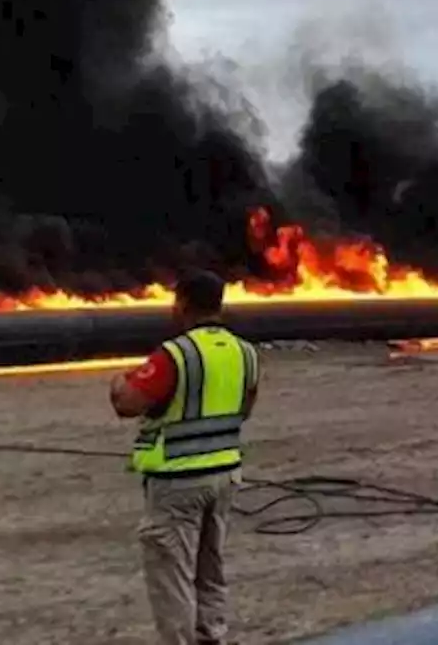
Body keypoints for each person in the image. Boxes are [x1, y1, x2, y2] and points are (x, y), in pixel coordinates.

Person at [109, 270, 260, 645]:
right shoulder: (246, 353)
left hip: (178, 481)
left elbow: (128, 403)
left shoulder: (175, 354)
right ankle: (212, 636)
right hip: (224, 476)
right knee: (210, 568)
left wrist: (117, 382)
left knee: (171, 572)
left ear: (183, 304)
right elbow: (245, 408)